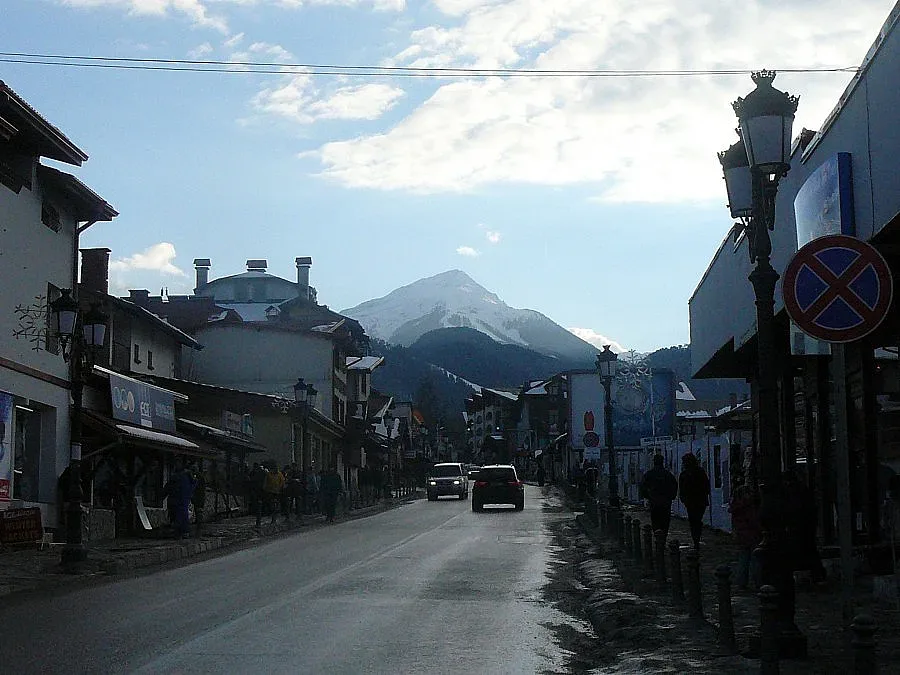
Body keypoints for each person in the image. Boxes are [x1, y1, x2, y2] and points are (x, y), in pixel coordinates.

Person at [729, 479, 761, 589]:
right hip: (752, 534)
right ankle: (758, 581)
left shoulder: (736, 506)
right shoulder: (749, 506)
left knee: (743, 558)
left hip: (741, 534)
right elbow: (753, 520)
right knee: (755, 559)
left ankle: (741, 581)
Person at [639, 454, 678, 537]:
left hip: (654, 501)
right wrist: (671, 497)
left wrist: (648, 496)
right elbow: (674, 486)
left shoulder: (649, 474)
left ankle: (658, 539)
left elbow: (642, 487)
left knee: (655, 521)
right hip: (666, 502)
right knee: (665, 522)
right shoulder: (668, 474)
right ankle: (663, 539)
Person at [678, 453, 710, 550]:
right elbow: (707, 486)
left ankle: (696, 539)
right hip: (700, 501)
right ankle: (697, 538)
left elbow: (682, 489)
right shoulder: (700, 472)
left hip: (691, 502)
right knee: (697, 520)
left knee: (693, 521)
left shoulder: (684, 474)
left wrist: (684, 499)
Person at [191, 462, 206, 538]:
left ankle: (199, 526)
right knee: (198, 511)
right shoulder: (198, 477)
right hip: (198, 497)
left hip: (199, 497)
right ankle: (199, 525)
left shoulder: (199, 477)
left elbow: (199, 488)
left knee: (199, 511)